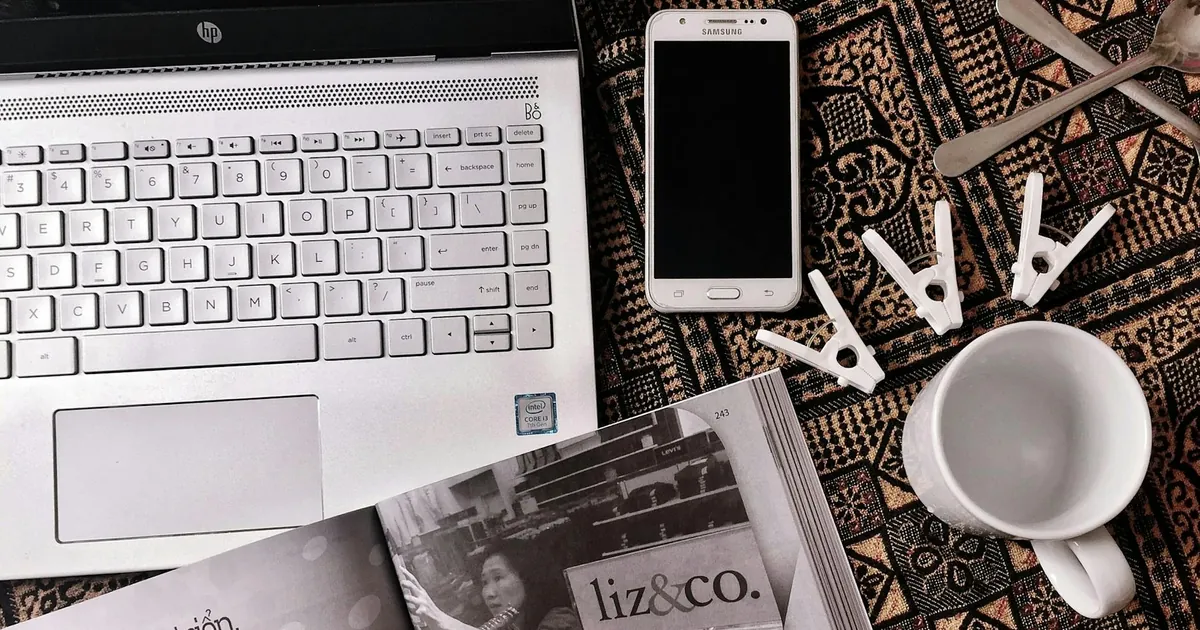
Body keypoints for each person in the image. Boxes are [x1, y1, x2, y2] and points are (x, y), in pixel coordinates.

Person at [396, 539, 582, 630]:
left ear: (529, 578)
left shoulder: (561, 619)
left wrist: (444, 622)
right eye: (484, 582)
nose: (488, 593)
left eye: (498, 578)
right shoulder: (511, 625)